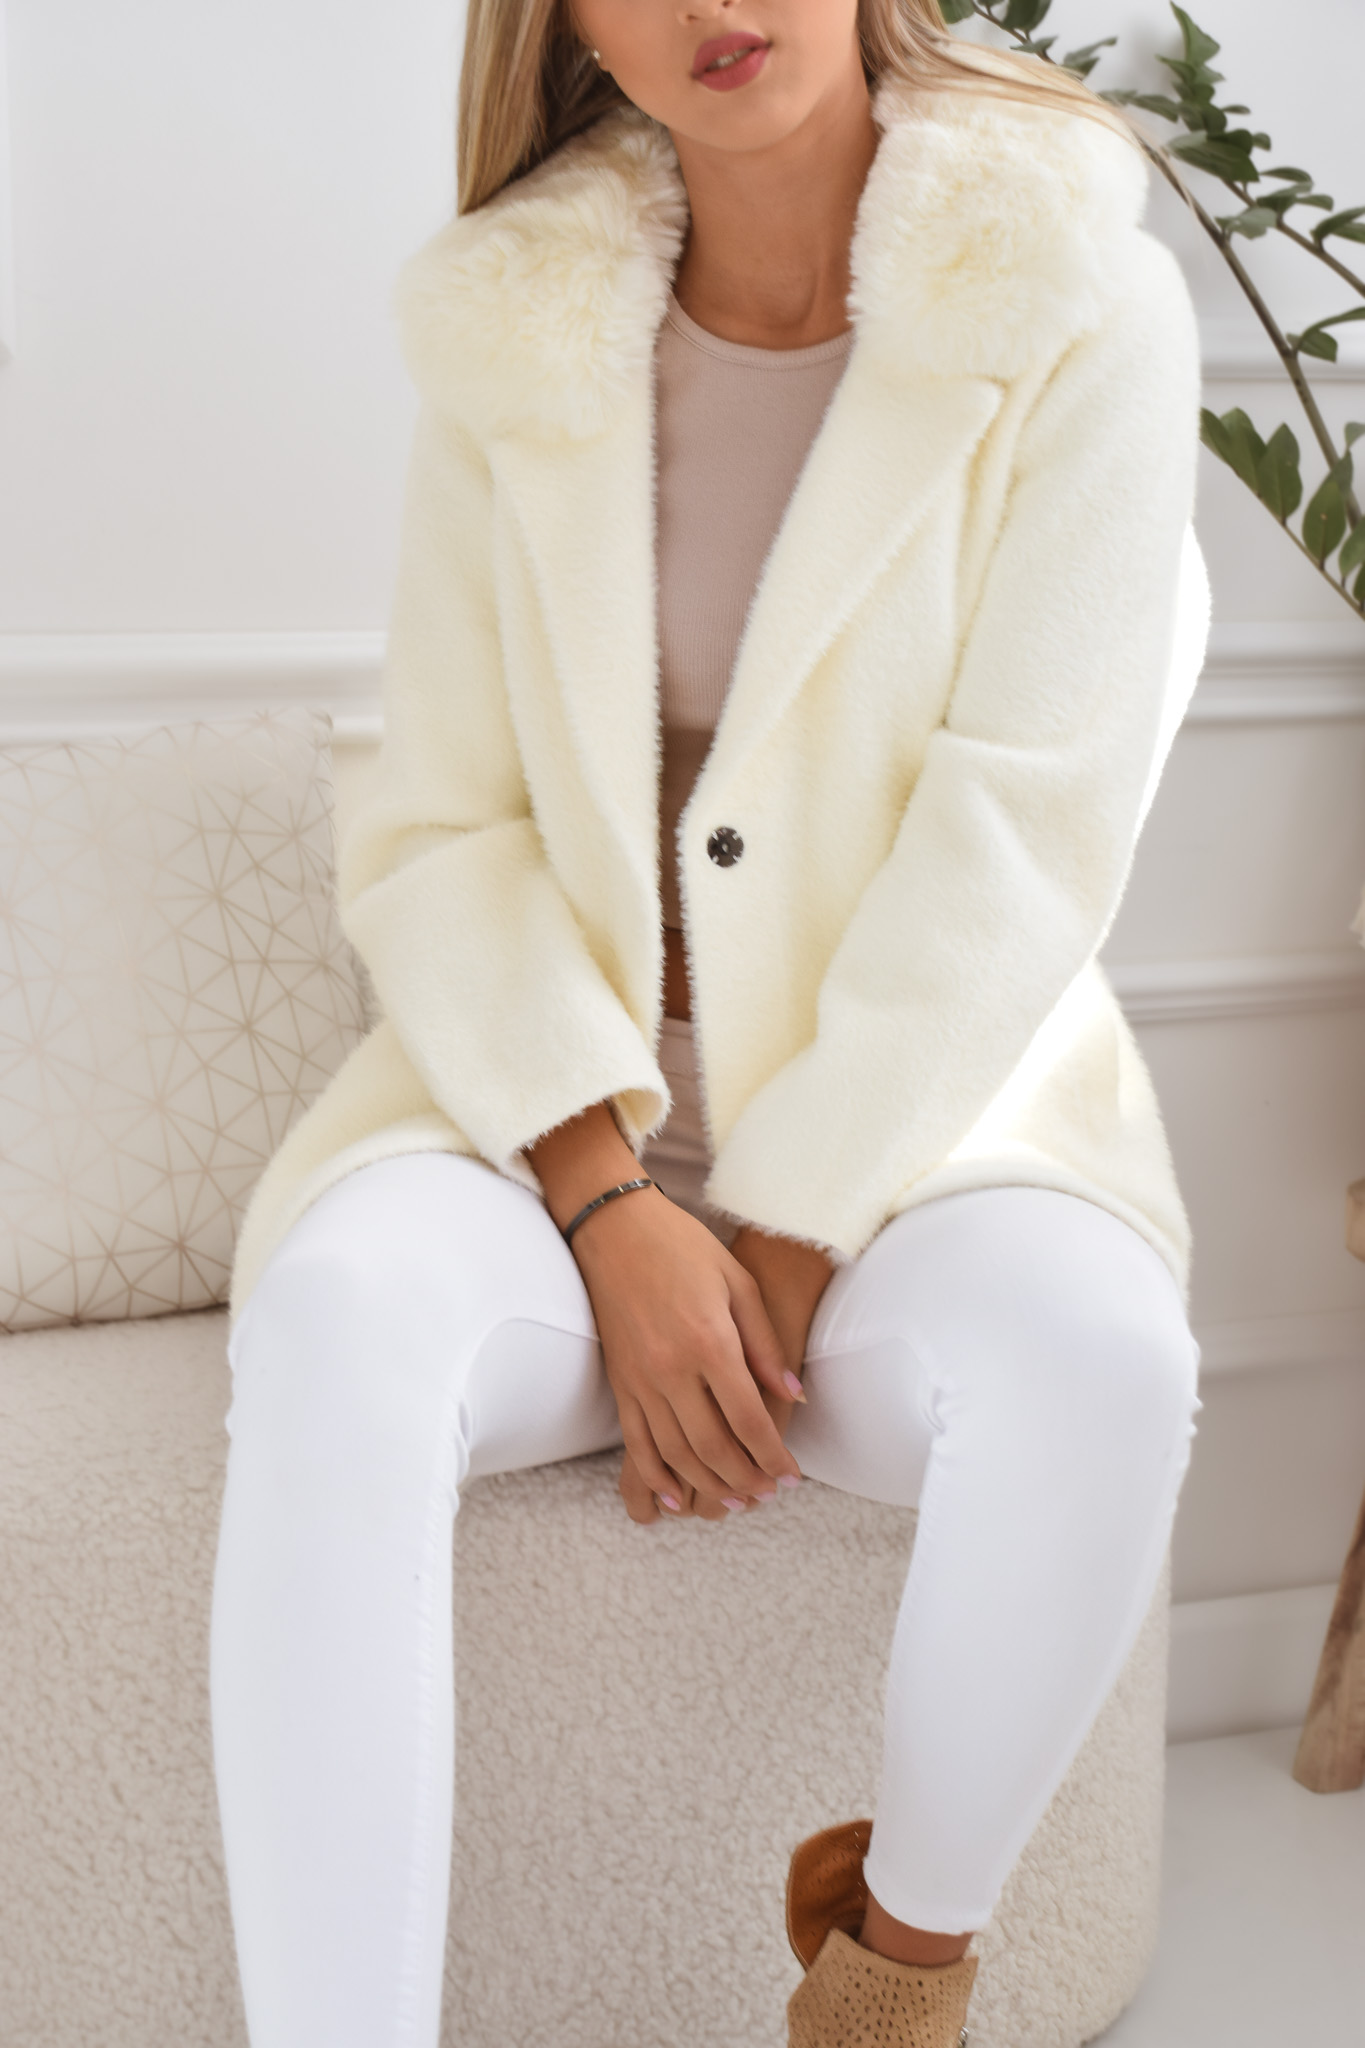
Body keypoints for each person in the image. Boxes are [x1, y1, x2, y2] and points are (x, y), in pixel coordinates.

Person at [211, 0, 1211, 2042]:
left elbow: (1024, 835)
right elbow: (440, 824)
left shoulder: (1077, 295)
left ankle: (890, 1975)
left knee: (1102, 1358)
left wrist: (787, 1230)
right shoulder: (516, 321)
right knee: (335, 1319)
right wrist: (606, 1205)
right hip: (548, 1116)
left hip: (919, 1132)